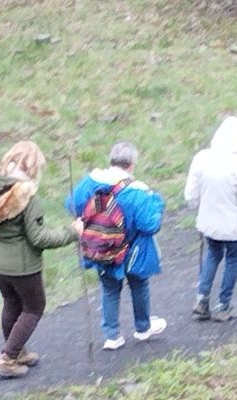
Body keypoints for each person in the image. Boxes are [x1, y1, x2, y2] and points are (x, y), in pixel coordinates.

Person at [0, 140, 84, 378]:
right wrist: (72, 232)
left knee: (12, 304)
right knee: (34, 307)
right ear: (33, 168)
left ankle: (16, 351)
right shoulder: (27, 198)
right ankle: (8, 358)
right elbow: (38, 237)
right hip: (21, 266)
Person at [66, 141, 168, 350]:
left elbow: (72, 205)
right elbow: (150, 225)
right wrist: (156, 201)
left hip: (101, 249)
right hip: (132, 249)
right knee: (139, 285)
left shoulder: (89, 183)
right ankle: (142, 327)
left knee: (110, 289)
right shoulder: (137, 191)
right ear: (131, 164)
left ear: (111, 160)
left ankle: (112, 336)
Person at [183, 116, 237, 322]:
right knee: (233, 260)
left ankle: (202, 299)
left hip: (209, 223)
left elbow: (191, 196)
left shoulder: (202, 158)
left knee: (212, 256)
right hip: (232, 227)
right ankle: (223, 305)